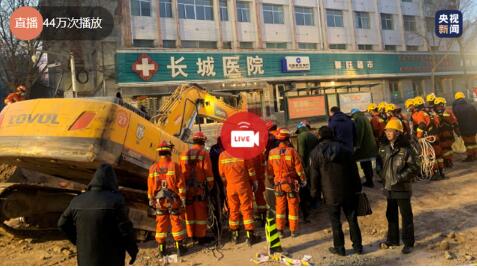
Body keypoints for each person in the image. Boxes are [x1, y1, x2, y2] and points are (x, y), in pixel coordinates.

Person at [58, 164, 138, 266]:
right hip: (111, 259)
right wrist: (133, 251)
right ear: (113, 181)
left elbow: (62, 224)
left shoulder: (77, 200)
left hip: (85, 259)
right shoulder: (116, 200)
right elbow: (126, 230)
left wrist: (78, 242)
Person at [309, 126, 363, 256]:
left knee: (335, 221)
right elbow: (354, 170)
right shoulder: (345, 149)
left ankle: (340, 248)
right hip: (348, 190)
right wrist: (357, 187)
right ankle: (358, 247)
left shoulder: (315, 152)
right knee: (352, 218)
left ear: (320, 136)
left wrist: (314, 193)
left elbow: (314, 175)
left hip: (330, 193)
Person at [378, 118, 417, 255]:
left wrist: (399, 178)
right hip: (389, 188)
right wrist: (381, 174)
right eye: (387, 130)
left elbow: (413, 167)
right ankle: (393, 239)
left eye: (391, 131)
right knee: (391, 215)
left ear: (398, 133)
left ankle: (408, 243)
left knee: (406, 216)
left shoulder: (406, 149)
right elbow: (379, 163)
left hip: (401, 188)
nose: (388, 133)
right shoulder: (384, 148)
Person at [148, 141, 187, 257]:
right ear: (169, 152)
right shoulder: (174, 166)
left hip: (159, 202)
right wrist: (183, 198)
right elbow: (181, 184)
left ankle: (161, 250)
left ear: (159, 153)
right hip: (173, 200)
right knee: (176, 222)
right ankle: (179, 248)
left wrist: (151, 199)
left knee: (161, 224)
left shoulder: (153, 168)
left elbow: (150, 186)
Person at [267, 128, 306, 237]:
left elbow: (269, 171)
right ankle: (293, 231)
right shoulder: (292, 151)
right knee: (293, 207)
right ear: (288, 139)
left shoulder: (272, 152)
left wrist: (272, 181)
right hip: (290, 184)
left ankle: (280, 231)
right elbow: (299, 168)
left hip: (278, 185)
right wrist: (303, 179)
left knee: (280, 208)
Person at [180, 131, 214, 244]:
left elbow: (181, 172)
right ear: (203, 141)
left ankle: (191, 235)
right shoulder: (204, 153)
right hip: (199, 189)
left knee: (189, 213)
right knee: (200, 213)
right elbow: (208, 171)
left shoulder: (184, 154)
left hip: (187, 188)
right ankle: (201, 237)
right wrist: (210, 186)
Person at [218, 150, 260, 245]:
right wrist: (254, 182)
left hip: (230, 187)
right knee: (246, 209)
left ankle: (235, 235)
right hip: (243, 185)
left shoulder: (222, 155)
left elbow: (222, 174)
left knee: (233, 210)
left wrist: (227, 185)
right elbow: (251, 171)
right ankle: (250, 236)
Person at [412, 96, 445, 179]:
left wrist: (419, 136)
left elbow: (422, 125)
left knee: (430, 156)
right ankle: (441, 172)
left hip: (428, 137)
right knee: (438, 155)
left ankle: (435, 173)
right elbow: (437, 123)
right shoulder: (430, 111)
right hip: (435, 136)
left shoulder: (420, 113)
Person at [296, 120, 319, 219]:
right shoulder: (313, 135)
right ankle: (316, 202)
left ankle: (309, 203)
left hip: (306, 165)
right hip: (314, 163)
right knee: (315, 183)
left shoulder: (301, 136)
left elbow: (301, 153)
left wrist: (301, 167)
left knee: (306, 184)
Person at [351, 108, 378, 188]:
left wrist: (357, 145)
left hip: (364, 146)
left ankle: (369, 182)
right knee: (368, 164)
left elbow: (359, 132)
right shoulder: (364, 117)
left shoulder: (358, 119)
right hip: (369, 145)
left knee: (365, 164)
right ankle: (370, 180)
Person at [434, 97, 460, 168]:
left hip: (445, 134)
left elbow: (454, 123)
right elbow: (455, 122)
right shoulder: (448, 112)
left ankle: (448, 161)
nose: (439, 107)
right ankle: (448, 161)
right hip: (446, 134)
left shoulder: (436, 114)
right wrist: (457, 131)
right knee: (446, 148)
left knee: (445, 148)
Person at [209, 137, 227, 237]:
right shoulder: (224, 151)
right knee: (222, 201)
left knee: (218, 204)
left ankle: (218, 228)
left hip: (216, 179)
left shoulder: (213, 149)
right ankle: (220, 227)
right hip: (220, 179)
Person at [452, 91, 477, 162]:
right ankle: (475, 155)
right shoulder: (470, 105)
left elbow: (455, 118)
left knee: (467, 143)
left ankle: (470, 156)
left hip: (463, 127)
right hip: (473, 128)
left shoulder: (456, 107)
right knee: (473, 142)